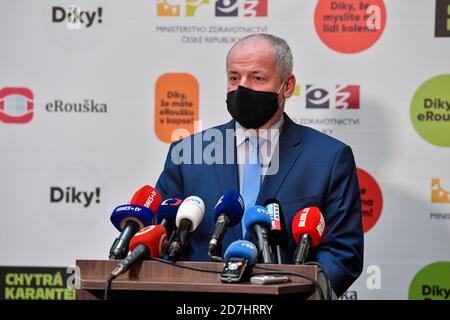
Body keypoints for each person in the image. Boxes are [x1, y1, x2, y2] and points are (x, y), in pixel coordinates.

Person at [156, 33, 363, 297]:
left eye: (257, 78)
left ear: (287, 86)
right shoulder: (188, 153)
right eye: (234, 77)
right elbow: (162, 238)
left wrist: (298, 292)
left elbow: (342, 253)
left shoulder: (329, 158)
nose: (242, 87)